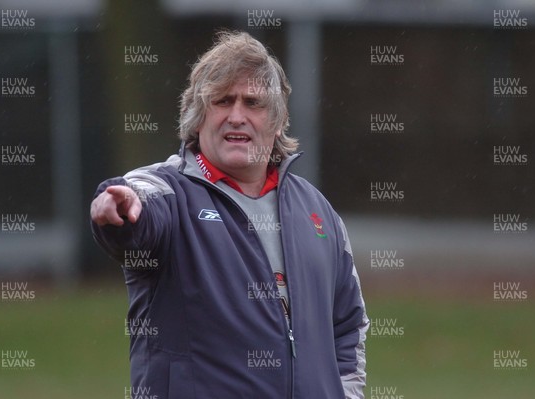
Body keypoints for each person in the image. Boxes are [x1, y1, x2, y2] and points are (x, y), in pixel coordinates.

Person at [91, 31, 369, 399]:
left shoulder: (317, 210)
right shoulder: (168, 192)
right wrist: (121, 210)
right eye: (223, 101)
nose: (237, 116)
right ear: (198, 117)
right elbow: (139, 211)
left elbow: (347, 326)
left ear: (276, 119)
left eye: (252, 103)